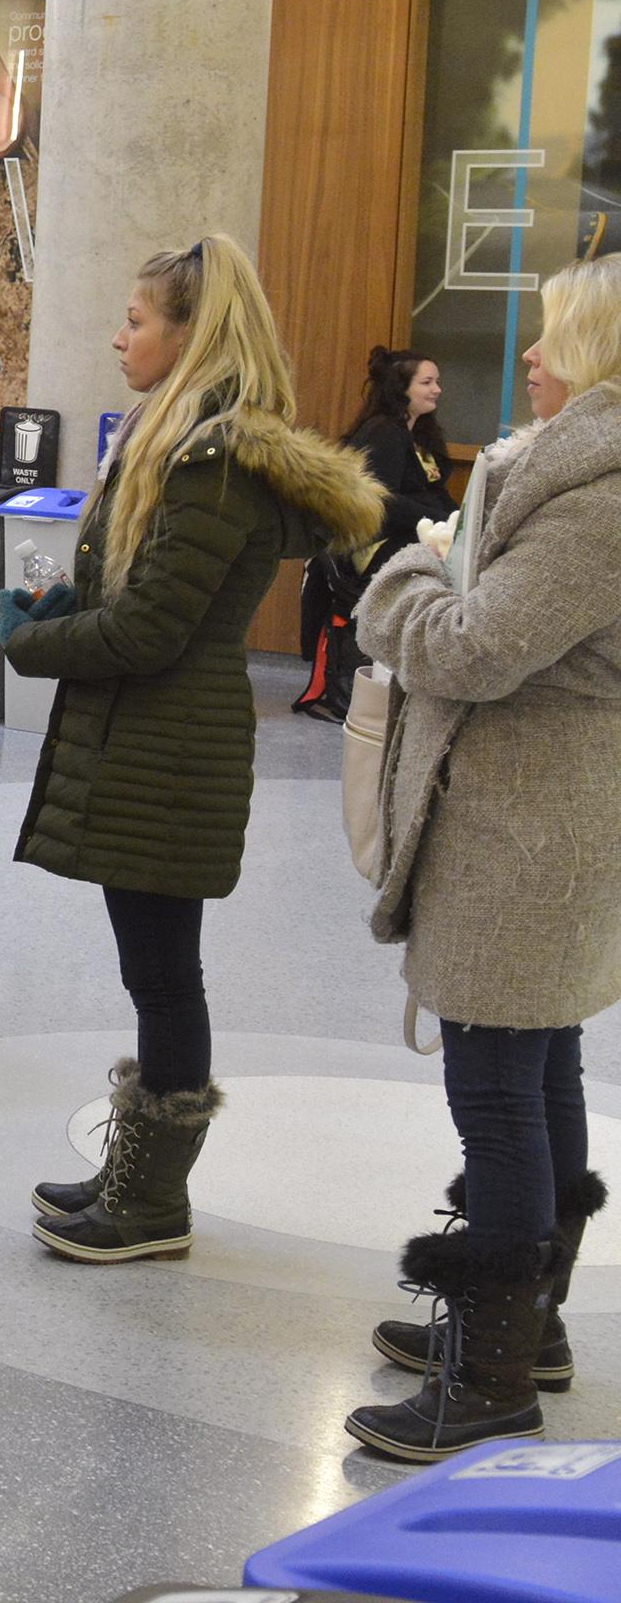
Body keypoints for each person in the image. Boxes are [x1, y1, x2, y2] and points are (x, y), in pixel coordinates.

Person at [5, 237, 381, 1263]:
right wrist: (66, 604)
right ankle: (137, 1173)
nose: (119, 334)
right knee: (154, 971)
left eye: (137, 318)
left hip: (172, 751)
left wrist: (30, 640)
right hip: (153, 741)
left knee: (167, 976)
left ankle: (151, 1202)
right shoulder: (182, 445)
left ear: (192, 333)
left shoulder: (212, 462)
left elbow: (152, 630)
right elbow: (139, 598)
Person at [344, 261, 621, 1461]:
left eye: (550, 338)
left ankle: (493, 1373)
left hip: (528, 830)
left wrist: (403, 565)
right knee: (540, 1064)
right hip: (540, 817)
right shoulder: (578, 474)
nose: (526, 358)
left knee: (499, 1094)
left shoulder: (598, 493)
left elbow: (472, 646)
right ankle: (532, 1320)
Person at [297, 346, 456, 721]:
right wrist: (437, 519)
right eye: (427, 382)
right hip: (367, 545)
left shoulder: (421, 436)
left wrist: (458, 519)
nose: (437, 390)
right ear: (402, 388)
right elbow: (382, 503)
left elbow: (433, 494)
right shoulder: (384, 432)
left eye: (437, 382)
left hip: (402, 535)